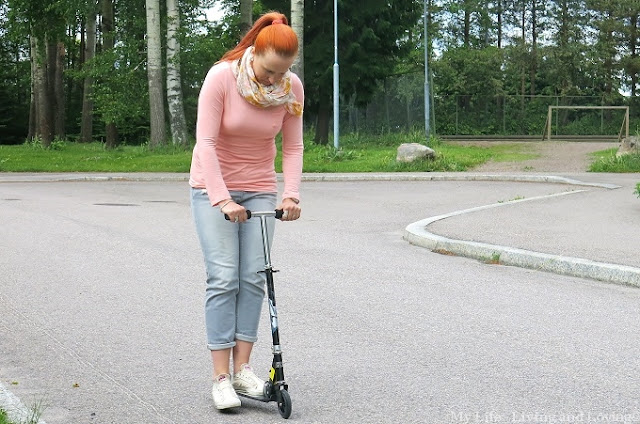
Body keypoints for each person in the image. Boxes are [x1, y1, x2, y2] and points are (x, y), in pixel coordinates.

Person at [189, 11, 304, 411]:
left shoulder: (291, 88)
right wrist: (222, 199)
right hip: (212, 186)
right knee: (224, 278)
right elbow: (205, 144)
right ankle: (221, 377)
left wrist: (290, 195)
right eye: (269, 70)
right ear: (254, 54)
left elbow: (293, 146)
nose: (274, 80)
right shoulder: (221, 77)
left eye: (283, 72)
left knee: (254, 277)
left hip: (258, 188)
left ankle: (243, 370)